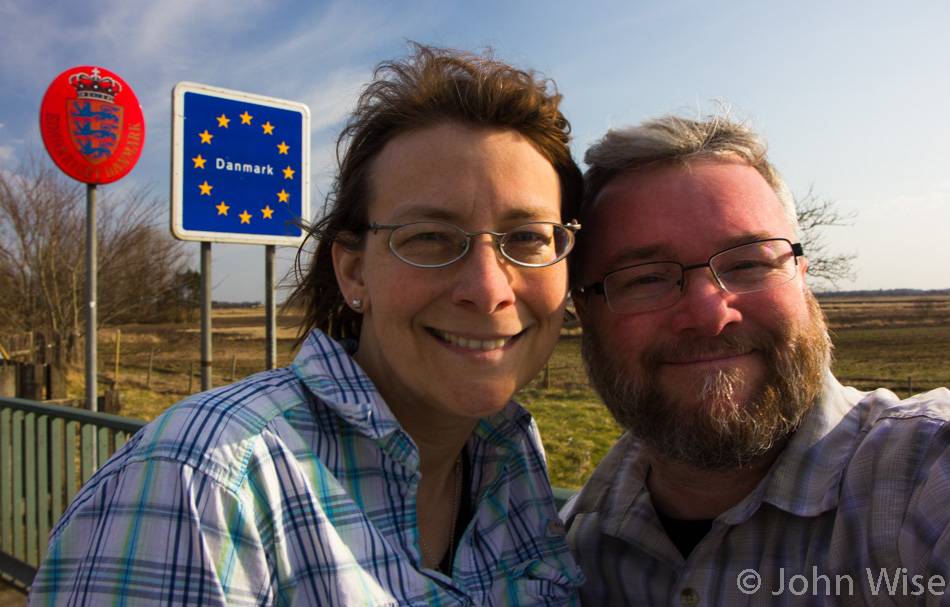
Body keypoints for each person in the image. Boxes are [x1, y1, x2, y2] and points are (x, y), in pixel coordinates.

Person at [30, 44, 585, 606]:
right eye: (429, 238)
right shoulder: (206, 484)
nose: (489, 290)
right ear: (353, 273)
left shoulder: (512, 461)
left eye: (528, 238)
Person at [561, 112, 950, 605]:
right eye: (644, 278)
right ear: (583, 311)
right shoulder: (565, 555)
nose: (708, 315)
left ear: (803, 277)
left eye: (748, 263)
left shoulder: (926, 481)